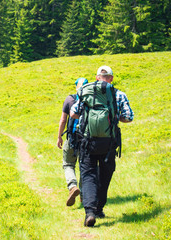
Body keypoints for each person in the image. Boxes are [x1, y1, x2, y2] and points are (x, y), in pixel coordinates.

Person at [70, 66, 134, 227]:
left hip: (87, 141)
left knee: (88, 175)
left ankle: (90, 212)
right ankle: (99, 208)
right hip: (108, 143)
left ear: (97, 77)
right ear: (111, 78)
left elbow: (73, 112)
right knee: (105, 175)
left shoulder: (86, 91)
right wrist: (111, 118)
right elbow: (128, 117)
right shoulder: (118, 94)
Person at [57, 77, 88, 206]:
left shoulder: (70, 99)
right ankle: (83, 195)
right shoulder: (91, 100)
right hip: (87, 138)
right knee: (84, 167)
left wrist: (59, 136)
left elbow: (63, 120)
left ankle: (72, 186)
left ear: (76, 87)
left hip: (72, 138)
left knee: (68, 164)